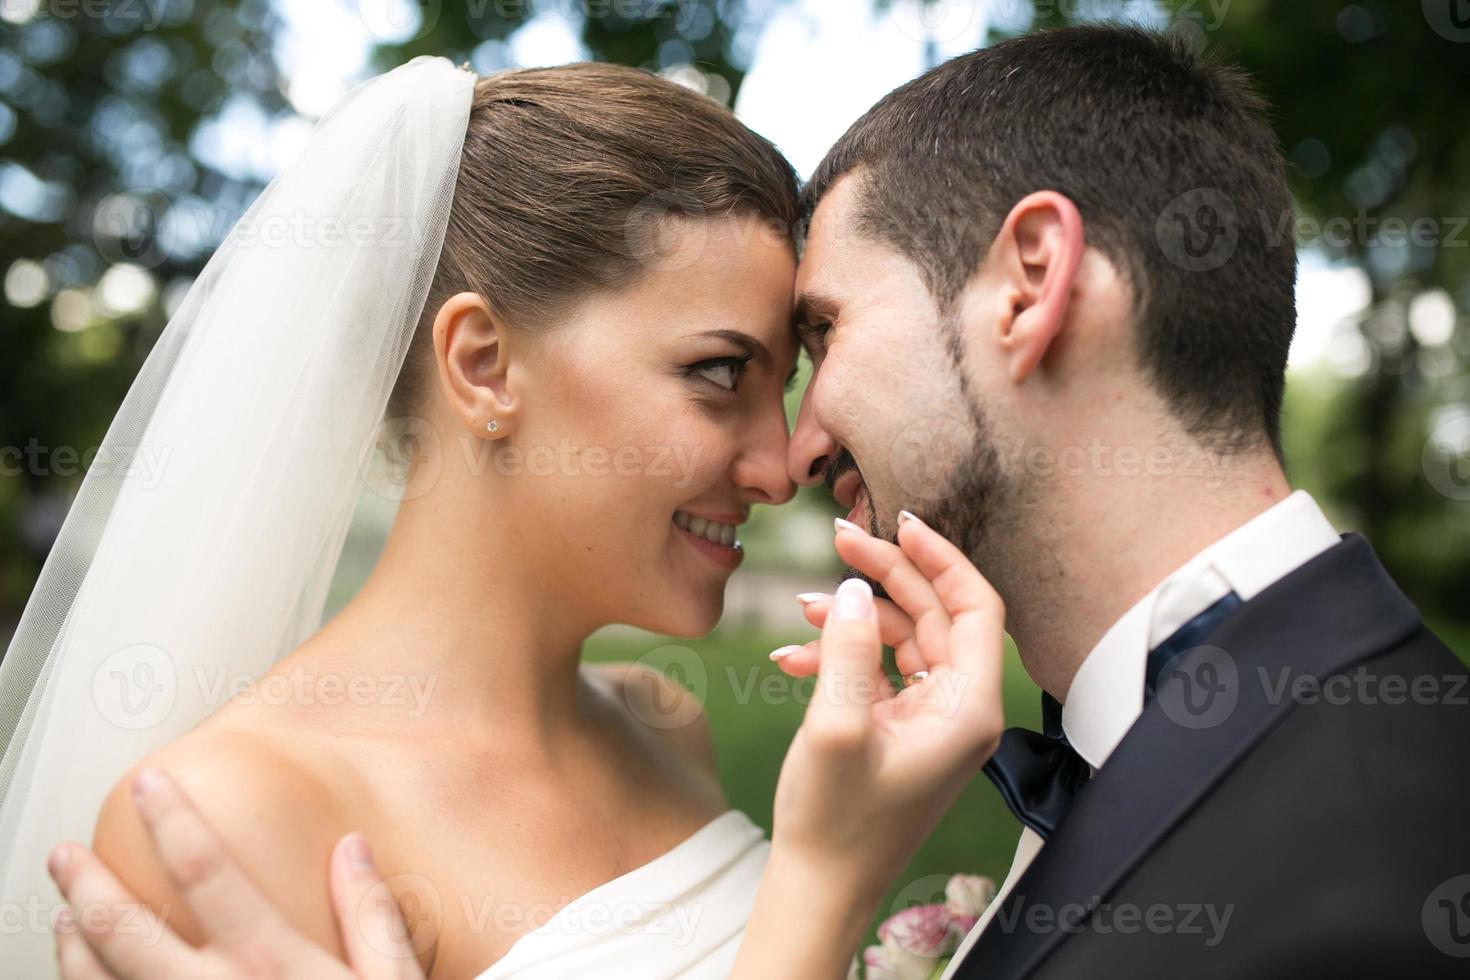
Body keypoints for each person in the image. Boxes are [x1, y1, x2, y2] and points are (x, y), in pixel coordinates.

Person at [36, 23, 1470, 980]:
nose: (785, 457)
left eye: (807, 356)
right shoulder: (209, 828)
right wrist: (823, 889)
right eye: (721, 373)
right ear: (482, 363)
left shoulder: (657, 732)